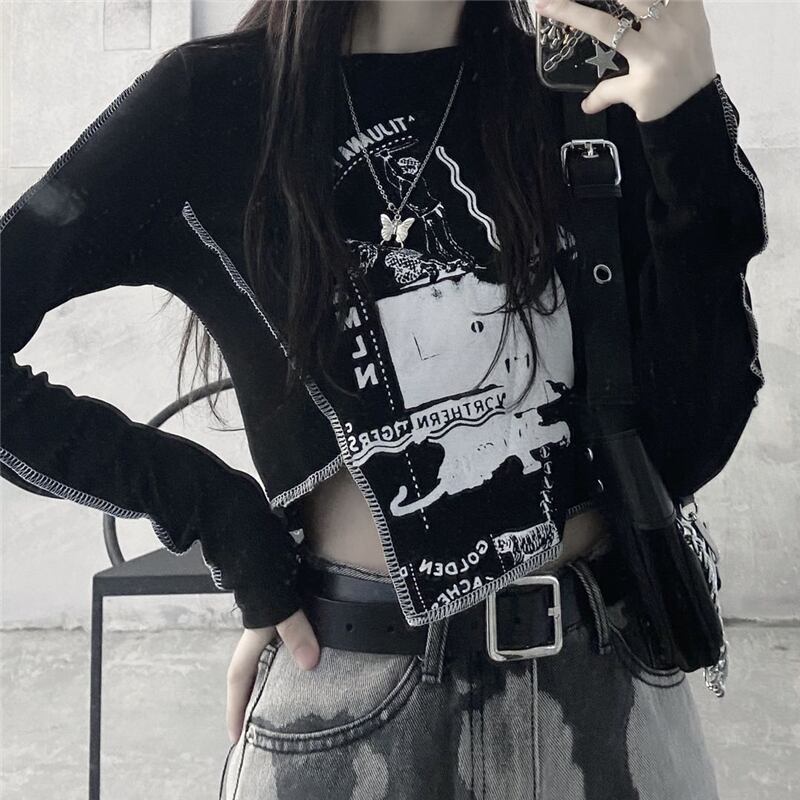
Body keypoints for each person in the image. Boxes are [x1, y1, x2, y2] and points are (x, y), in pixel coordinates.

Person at [0, 1, 767, 798]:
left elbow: (687, 447)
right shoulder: (211, 104)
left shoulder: (579, 86)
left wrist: (687, 131)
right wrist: (222, 517)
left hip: (612, 693)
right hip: (362, 702)